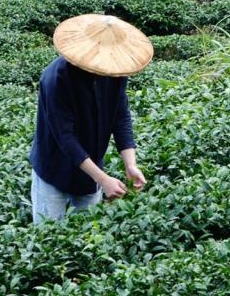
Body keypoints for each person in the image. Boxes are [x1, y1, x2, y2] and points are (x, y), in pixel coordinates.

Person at [29, 14, 153, 223]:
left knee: (88, 234)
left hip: (90, 170)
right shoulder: (55, 79)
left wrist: (130, 164)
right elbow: (65, 138)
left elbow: (120, 115)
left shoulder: (114, 72)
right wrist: (103, 180)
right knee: (48, 235)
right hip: (54, 168)